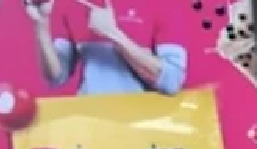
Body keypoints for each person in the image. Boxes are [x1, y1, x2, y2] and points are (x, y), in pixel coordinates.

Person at [26, 0, 187, 97]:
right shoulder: (72, 4)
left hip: (145, 129)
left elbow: (171, 80)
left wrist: (113, 34)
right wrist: (41, 25)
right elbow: (55, 77)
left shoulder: (162, 3)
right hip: (92, 126)